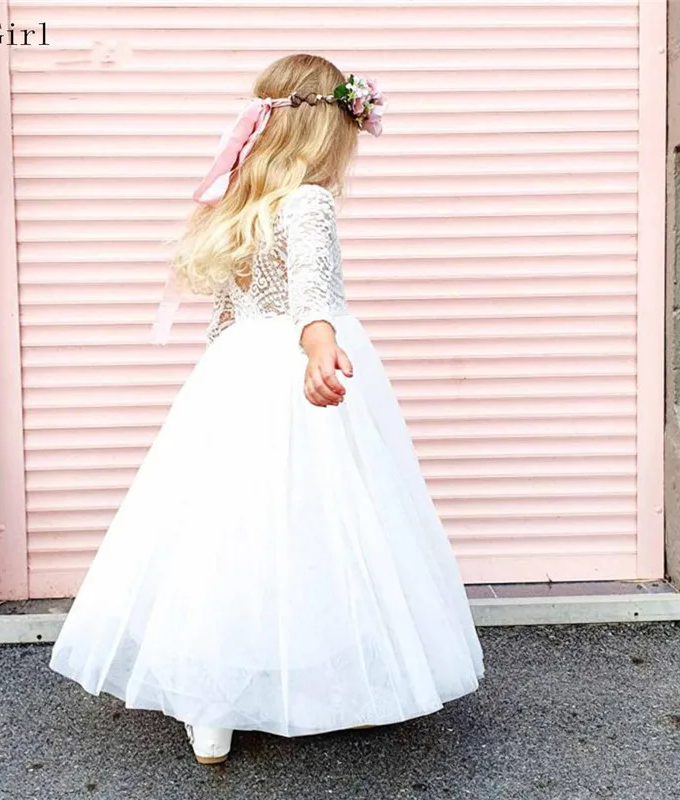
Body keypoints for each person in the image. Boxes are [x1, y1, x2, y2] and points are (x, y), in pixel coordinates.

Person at [49, 53, 484, 765]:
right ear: (328, 134)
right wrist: (317, 347)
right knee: (311, 523)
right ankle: (317, 678)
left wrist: (218, 384)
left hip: (235, 375)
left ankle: (210, 706)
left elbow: (226, 318)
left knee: (225, 531)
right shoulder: (309, 200)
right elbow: (313, 294)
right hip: (296, 367)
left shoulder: (239, 203)